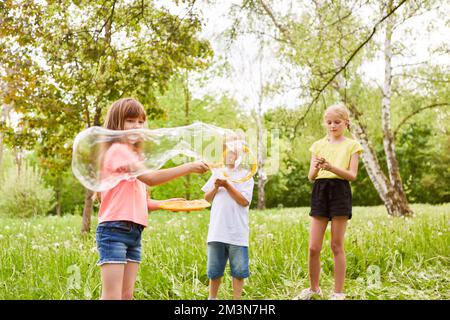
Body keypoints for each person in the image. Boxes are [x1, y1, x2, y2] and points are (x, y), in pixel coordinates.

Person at [96, 97, 209, 300]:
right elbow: (150, 178)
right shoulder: (118, 151)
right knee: (112, 296)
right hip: (114, 230)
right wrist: (189, 167)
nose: (136, 126)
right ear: (116, 124)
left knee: (126, 295)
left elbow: (141, 202)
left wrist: (165, 204)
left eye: (140, 121)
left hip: (134, 232)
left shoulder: (135, 156)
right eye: (130, 121)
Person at [295, 103, 363, 300]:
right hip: (320, 191)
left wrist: (332, 167)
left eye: (337, 122)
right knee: (313, 247)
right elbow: (311, 176)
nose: (332, 126)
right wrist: (317, 167)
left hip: (340, 192)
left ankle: (338, 293)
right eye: (329, 122)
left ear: (346, 123)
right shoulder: (318, 145)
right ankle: (313, 289)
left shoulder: (352, 145)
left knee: (336, 245)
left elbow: (352, 175)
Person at [202, 135, 255, 300]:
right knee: (214, 269)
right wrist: (217, 187)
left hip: (237, 232)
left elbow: (244, 201)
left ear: (241, 153)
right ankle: (212, 297)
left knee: (238, 270)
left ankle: (236, 300)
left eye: (234, 151)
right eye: (227, 150)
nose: (230, 154)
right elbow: (207, 198)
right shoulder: (218, 172)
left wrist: (227, 185)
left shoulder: (246, 175)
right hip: (217, 231)